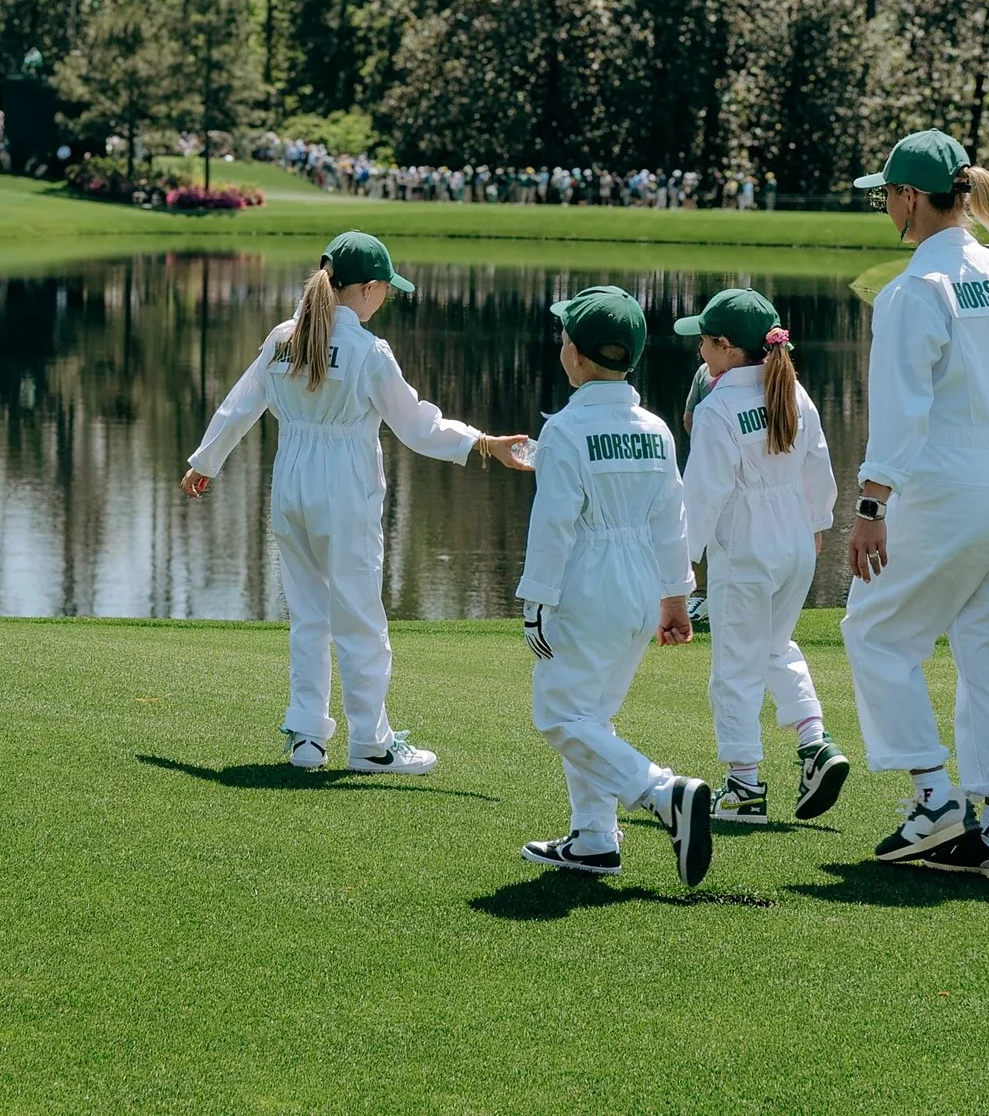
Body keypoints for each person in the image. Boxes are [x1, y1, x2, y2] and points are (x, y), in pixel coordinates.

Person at [181, 232, 528, 775]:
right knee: (361, 618)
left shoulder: (282, 337)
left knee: (308, 615)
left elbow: (239, 405)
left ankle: (307, 738)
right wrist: (484, 443)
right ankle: (371, 741)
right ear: (366, 289)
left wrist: (205, 462)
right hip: (343, 489)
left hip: (290, 483)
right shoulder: (369, 352)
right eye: (384, 290)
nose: (384, 299)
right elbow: (418, 426)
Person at [842, 129, 989, 881]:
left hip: (949, 489)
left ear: (911, 199)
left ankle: (932, 800)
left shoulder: (916, 289)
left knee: (875, 633)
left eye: (886, 194)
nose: (883, 205)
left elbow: (901, 408)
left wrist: (870, 503)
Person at [516, 286, 713, 885]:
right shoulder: (655, 429)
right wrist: (675, 598)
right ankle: (595, 838)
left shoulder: (567, 430)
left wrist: (535, 602)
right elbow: (671, 520)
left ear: (574, 353)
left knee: (558, 714)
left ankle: (660, 792)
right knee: (591, 715)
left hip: (586, 580)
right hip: (637, 585)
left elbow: (553, 525)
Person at [673, 289, 850, 825]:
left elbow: (701, 496)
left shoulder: (718, 407)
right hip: (797, 540)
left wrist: (679, 573)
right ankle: (814, 741)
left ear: (726, 347)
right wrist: (817, 526)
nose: (700, 352)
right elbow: (819, 469)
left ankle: (743, 786)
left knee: (734, 668)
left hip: (745, 546)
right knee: (773, 646)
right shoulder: (795, 393)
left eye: (704, 342)